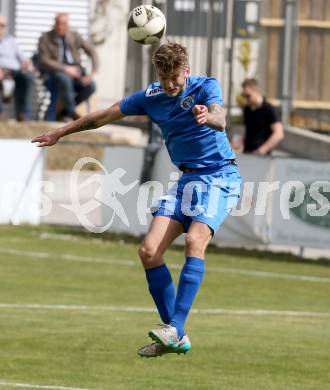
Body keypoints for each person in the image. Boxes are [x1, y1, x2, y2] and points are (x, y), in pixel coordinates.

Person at [32, 43, 242, 358]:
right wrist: (61, 132)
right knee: (148, 251)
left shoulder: (205, 86)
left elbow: (220, 118)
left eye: (175, 76)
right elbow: (102, 116)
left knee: (195, 241)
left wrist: (206, 115)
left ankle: (174, 327)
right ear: (158, 73)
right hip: (187, 180)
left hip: (220, 177)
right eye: (164, 76)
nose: (170, 84)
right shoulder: (151, 98)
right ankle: (177, 335)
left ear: (186, 70)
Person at [37, 13, 98, 121]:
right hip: (55, 72)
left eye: (64, 23)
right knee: (65, 79)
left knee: (91, 86)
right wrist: (66, 69)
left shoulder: (75, 36)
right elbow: (44, 60)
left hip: (76, 70)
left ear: (68, 25)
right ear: (55, 24)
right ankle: (70, 113)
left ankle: (65, 111)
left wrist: (92, 73)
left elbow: (92, 51)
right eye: (58, 23)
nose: (61, 26)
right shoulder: (45, 37)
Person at [0, 15, 34, 121]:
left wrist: (27, 63)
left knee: (27, 78)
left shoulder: (12, 41)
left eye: (2, 25)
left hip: (14, 71)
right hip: (1, 70)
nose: (0, 28)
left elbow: (22, 58)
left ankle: (22, 114)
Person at [241, 78, 284, 155]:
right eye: (244, 96)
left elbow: (279, 134)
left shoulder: (269, 109)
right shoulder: (247, 109)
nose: (245, 99)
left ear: (256, 91)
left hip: (262, 157)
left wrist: (262, 150)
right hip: (247, 154)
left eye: (248, 96)